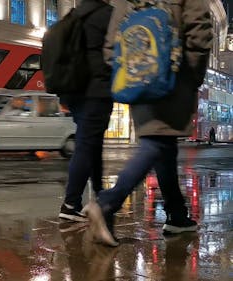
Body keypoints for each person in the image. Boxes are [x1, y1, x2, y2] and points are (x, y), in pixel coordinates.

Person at [83, 0, 213, 246]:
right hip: (173, 77)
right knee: (156, 143)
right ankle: (107, 203)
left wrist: (134, 70)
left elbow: (111, 43)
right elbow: (199, 34)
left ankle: (177, 215)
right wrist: (191, 78)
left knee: (162, 144)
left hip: (137, 75)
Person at [57, 0, 114, 222]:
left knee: (92, 142)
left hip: (75, 91)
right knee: (85, 145)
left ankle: (99, 194)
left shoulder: (73, 15)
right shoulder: (107, 15)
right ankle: (70, 204)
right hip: (96, 91)